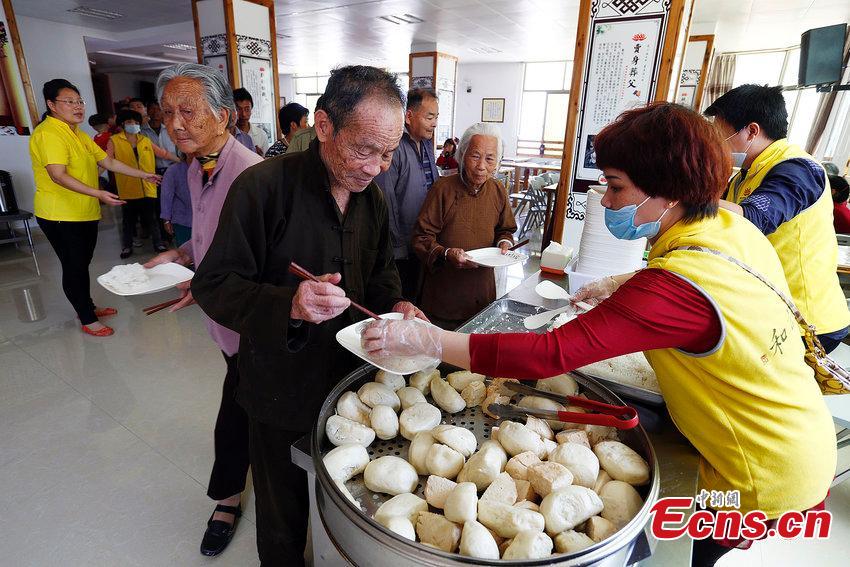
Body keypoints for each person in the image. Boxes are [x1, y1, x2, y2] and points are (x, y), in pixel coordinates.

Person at [363, 103, 836, 567]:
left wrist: (429, 341)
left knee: (681, 558)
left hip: (762, 471)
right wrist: (619, 283)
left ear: (668, 191)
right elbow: (702, 267)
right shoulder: (731, 225)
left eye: (615, 185)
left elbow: (548, 353)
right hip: (799, 427)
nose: (606, 201)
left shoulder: (675, 287)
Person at [191, 65, 425, 566]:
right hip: (281, 387)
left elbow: (381, 273)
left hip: (353, 386)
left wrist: (396, 307)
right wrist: (291, 305)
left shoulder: (372, 199)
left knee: (347, 500)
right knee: (283, 516)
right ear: (323, 126)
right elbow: (212, 285)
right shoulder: (262, 188)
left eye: (388, 153)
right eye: (364, 150)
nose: (376, 167)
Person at [143, 63, 263, 558]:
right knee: (242, 401)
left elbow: (264, 261)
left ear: (223, 115)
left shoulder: (252, 174)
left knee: (237, 408)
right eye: (168, 112)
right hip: (222, 318)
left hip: (253, 320)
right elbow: (212, 235)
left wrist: (207, 286)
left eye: (188, 111)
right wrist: (182, 254)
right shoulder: (194, 169)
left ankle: (227, 499)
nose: (175, 124)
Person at [705, 84, 850, 352]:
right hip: (771, 307)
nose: (714, 144)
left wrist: (678, 197)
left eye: (719, 135)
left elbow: (754, 218)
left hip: (806, 320)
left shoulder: (799, 168)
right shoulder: (745, 175)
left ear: (751, 131)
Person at [29, 79, 159, 336]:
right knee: (74, 266)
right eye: (69, 102)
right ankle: (87, 318)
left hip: (84, 212)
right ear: (51, 105)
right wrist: (98, 193)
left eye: (79, 101)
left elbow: (108, 162)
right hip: (60, 215)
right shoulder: (49, 134)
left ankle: (86, 306)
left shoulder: (78, 133)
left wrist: (144, 175)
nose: (77, 106)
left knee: (81, 263)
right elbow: (58, 175)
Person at [411, 122, 517, 329]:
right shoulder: (443, 189)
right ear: (462, 155)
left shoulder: (498, 190)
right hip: (444, 297)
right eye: (475, 156)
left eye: (489, 158)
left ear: (497, 162)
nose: (481, 166)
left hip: (482, 293)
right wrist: (446, 253)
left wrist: (504, 242)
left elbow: (505, 229)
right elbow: (421, 238)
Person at [374, 88, 440, 299]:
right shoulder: (395, 145)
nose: (434, 123)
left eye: (436, 117)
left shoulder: (427, 144)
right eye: (429, 117)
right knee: (403, 296)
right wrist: (398, 246)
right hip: (402, 245)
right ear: (409, 116)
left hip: (425, 239)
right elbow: (386, 199)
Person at [108, 109, 179, 258]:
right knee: (129, 220)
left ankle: (158, 244)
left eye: (136, 122)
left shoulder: (144, 140)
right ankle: (127, 246)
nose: (133, 124)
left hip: (148, 187)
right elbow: (106, 161)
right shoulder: (114, 140)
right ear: (122, 124)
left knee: (152, 218)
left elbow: (163, 153)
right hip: (127, 188)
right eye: (129, 122)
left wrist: (182, 161)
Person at [160, 151, 193, 247]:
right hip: (183, 221)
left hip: (207, 221)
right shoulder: (173, 171)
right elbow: (166, 196)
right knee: (185, 250)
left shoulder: (208, 168)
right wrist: (166, 219)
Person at [233, 87, 270, 155]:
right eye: (238, 109)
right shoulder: (227, 134)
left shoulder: (261, 135)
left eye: (247, 109)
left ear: (251, 109)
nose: (243, 114)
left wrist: (259, 157)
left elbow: (266, 159)